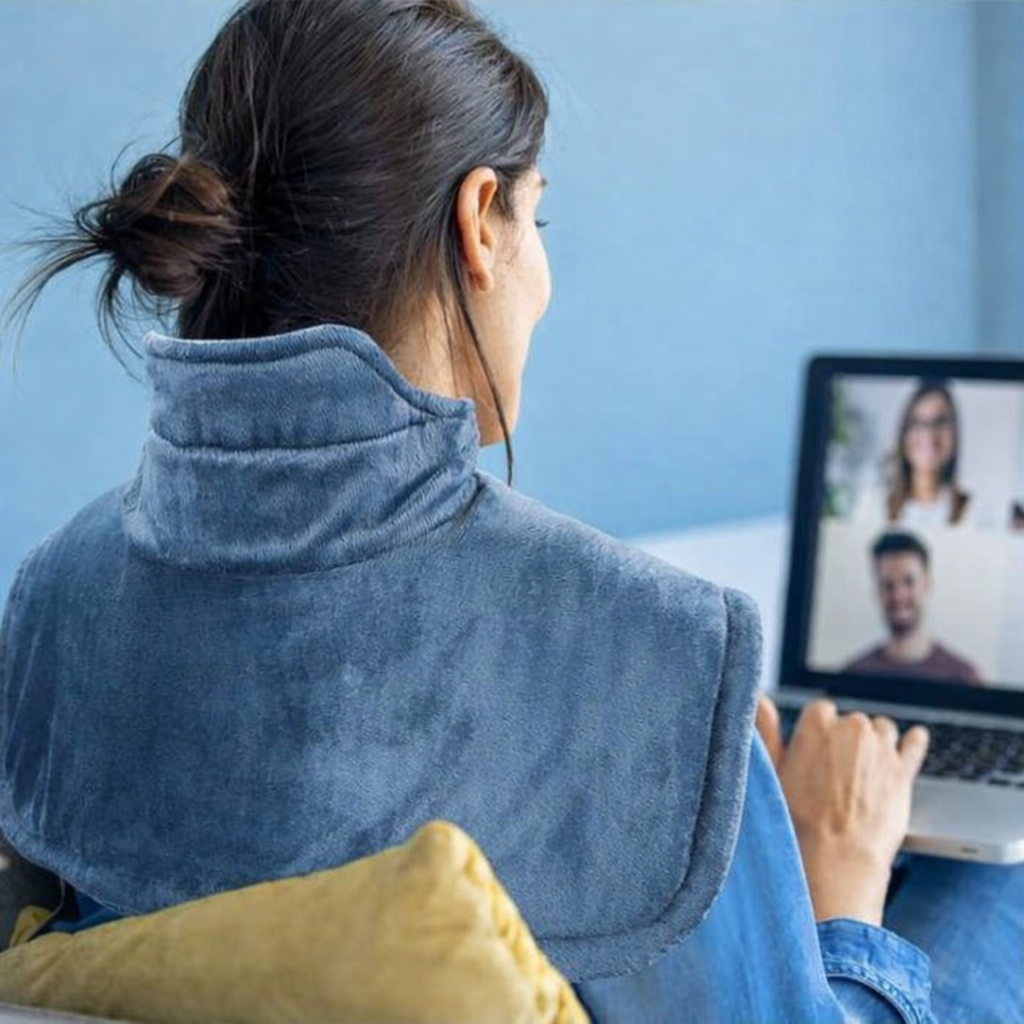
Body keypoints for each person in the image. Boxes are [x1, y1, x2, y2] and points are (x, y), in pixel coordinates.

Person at [0, 2, 1021, 1021]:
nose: (540, 276)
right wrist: (839, 895)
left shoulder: (51, 599)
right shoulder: (652, 662)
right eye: (538, 219)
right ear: (478, 219)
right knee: (988, 876)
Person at [843, 532, 983, 685]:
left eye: (909, 582)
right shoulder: (853, 673)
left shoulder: (964, 676)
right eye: (888, 585)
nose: (898, 596)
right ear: (877, 592)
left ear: (927, 584)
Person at [855, 380, 974, 528]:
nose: (929, 434)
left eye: (940, 422)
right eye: (917, 423)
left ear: (954, 434)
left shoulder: (972, 511)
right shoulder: (873, 503)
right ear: (904, 434)